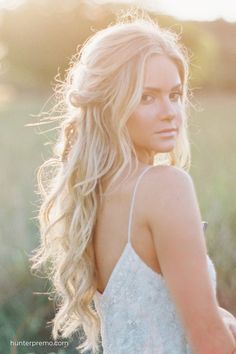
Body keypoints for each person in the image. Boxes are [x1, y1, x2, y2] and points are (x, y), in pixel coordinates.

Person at [30, 13, 236, 354]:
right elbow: (208, 342)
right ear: (111, 105)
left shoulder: (93, 198)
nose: (170, 111)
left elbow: (154, 311)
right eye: (147, 97)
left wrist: (223, 321)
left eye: (175, 94)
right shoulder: (165, 186)